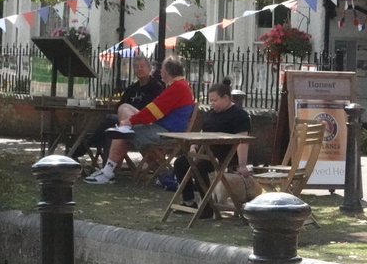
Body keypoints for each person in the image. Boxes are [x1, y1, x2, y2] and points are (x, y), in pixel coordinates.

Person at [84, 56, 196, 184]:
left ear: (168, 71)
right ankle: (110, 170)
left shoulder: (177, 87)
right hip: (167, 128)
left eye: (162, 69)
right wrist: (131, 120)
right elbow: (154, 109)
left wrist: (130, 122)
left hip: (167, 132)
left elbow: (154, 111)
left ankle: (107, 172)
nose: (160, 72)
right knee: (124, 111)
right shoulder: (180, 86)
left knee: (123, 134)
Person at [173, 79, 252, 215]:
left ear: (226, 98)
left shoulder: (239, 115)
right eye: (210, 100)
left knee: (198, 166)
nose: (212, 104)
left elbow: (243, 140)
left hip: (224, 155)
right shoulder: (211, 114)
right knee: (180, 163)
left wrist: (242, 164)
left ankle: (207, 206)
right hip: (205, 152)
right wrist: (194, 145)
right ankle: (189, 201)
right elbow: (203, 132)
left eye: (214, 100)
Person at [82, 55, 165, 162]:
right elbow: (119, 107)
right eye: (136, 67)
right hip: (125, 123)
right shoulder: (132, 89)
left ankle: (89, 144)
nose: (139, 69)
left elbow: (153, 109)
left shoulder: (156, 87)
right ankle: (106, 166)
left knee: (110, 122)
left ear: (149, 69)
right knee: (111, 131)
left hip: (142, 123)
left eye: (142, 66)